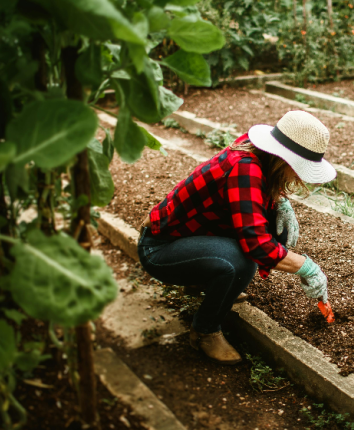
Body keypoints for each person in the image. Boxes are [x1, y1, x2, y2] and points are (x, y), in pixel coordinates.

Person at [136, 110, 336, 365]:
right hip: (159, 249)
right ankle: (205, 331)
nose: (299, 177)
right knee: (240, 261)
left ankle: (202, 282)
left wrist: (281, 202)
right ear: (284, 160)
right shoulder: (244, 168)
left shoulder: (255, 151)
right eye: (298, 169)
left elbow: (255, 196)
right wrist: (307, 267)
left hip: (188, 238)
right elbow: (258, 245)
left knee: (275, 231)